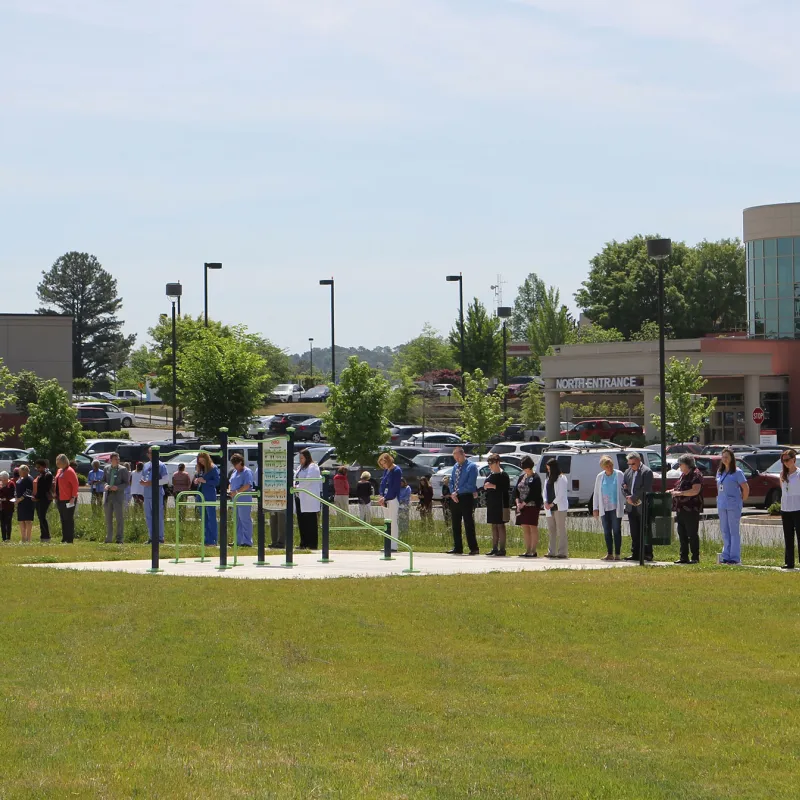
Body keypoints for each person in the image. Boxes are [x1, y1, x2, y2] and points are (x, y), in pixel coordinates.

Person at [716, 447, 749, 565]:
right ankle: (726, 555)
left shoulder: (737, 472)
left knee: (733, 531)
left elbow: (745, 488)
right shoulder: (720, 472)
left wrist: (740, 501)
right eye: (723, 457)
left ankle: (735, 557)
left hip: (733, 505)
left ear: (731, 459)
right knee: (724, 530)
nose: (724, 459)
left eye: (727, 457)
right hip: (722, 504)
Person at [669, 454, 704, 564]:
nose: (679, 466)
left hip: (691, 509)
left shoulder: (696, 475)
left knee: (692, 534)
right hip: (681, 509)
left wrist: (680, 493)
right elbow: (679, 488)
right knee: (682, 533)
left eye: (681, 464)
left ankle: (695, 557)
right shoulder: (683, 475)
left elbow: (695, 490)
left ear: (687, 464)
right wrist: (671, 491)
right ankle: (683, 556)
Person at [592, 455, 626, 561]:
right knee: (607, 531)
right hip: (604, 507)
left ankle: (618, 554)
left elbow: (624, 490)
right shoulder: (600, 477)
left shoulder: (619, 474)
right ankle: (609, 553)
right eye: (607, 466)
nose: (609, 468)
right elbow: (596, 493)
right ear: (603, 467)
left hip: (615, 507)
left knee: (616, 530)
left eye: (610, 465)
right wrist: (595, 508)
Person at [448, 447, 479, 555]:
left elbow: (470, 485)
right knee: (455, 523)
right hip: (455, 498)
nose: (457, 459)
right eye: (455, 458)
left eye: (458, 457)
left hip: (466, 497)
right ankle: (457, 547)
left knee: (468, 522)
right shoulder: (455, 467)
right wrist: (452, 492)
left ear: (463, 454)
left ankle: (473, 548)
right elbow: (451, 481)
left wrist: (458, 491)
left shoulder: (471, 467)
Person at [623, 452, 653, 562]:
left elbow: (646, 488)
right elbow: (624, 486)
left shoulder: (647, 471)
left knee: (644, 530)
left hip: (643, 505)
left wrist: (634, 497)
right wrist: (627, 497)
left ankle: (647, 553)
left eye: (633, 464)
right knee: (634, 531)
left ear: (639, 461)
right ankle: (635, 553)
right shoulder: (627, 472)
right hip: (631, 506)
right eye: (629, 464)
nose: (631, 466)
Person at [513, 455, 543, 557]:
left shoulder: (536, 478)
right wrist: (518, 503)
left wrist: (524, 503)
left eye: (525, 467)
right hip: (522, 507)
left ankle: (533, 550)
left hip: (532, 506)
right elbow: (516, 491)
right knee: (525, 527)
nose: (525, 469)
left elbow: (535, 493)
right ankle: (527, 550)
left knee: (532, 527)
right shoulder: (522, 477)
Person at [141, 447, 169, 544]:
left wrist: (152, 483)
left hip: (157, 494)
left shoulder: (161, 465)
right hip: (147, 494)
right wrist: (143, 482)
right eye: (150, 453)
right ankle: (152, 537)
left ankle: (160, 538)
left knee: (158, 516)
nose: (151, 455)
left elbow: (166, 480)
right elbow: (143, 477)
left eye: (153, 453)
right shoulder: (146, 465)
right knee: (148, 516)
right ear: (148, 454)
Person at [294, 449, 321, 549]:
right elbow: (295, 479)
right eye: (299, 458)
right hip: (299, 497)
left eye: (302, 458)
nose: (300, 460)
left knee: (310, 522)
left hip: (309, 498)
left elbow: (308, 480)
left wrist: (297, 487)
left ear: (307, 457)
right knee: (301, 521)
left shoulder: (313, 466)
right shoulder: (299, 467)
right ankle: (303, 543)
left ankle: (312, 544)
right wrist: (294, 486)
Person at [484, 454, 510, 556]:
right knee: (493, 525)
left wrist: (493, 486)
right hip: (492, 503)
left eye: (492, 463)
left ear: (498, 462)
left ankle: (502, 549)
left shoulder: (504, 475)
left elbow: (505, 488)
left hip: (501, 503)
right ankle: (494, 548)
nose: (490, 466)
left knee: (500, 525)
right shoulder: (490, 475)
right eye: (489, 463)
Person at [779, 449, 800, 570]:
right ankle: (789, 562)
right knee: (788, 536)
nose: (785, 463)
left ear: (793, 459)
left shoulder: (798, 474)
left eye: (787, 460)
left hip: (798, 508)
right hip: (786, 508)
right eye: (783, 461)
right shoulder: (782, 475)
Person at [544, 458, 569, 559]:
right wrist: (545, 501)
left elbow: (561, 494)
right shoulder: (547, 478)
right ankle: (551, 551)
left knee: (561, 529)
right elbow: (544, 491)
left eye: (549, 469)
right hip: (549, 508)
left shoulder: (561, 478)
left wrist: (553, 503)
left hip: (559, 507)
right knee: (551, 529)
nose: (548, 471)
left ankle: (562, 552)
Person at [377, 453, 402, 551]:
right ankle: (387, 544)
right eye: (382, 464)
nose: (383, 466)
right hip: (385, 499)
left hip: (392, 499)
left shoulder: (397, 470)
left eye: (384, 463)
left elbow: (394, 487)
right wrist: (381, 495)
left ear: (388, 461)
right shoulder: (386, 471)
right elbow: (383, 483)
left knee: (393, 522)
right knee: (386, 522)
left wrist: (386, 497)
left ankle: (394, 546)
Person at [102, 453, 129, 544]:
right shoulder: (106, 468)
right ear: (111, 460)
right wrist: (106, 485)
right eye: (115, 459)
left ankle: (119, 539)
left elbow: (126, 483)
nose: (117, 460)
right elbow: (104, 480)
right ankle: (108, 538)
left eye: (118, 459)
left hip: (118, 497)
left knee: (119, 519)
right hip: (108, 496)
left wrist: (117, 487)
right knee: (108, 519)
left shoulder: (123, 469)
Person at [229, 454, 254, 547]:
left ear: (240, 462)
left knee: (245, 519)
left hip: (244, 498)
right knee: (236, 520)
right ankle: (237, 540)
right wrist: (230, 490)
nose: (235, 466)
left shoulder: (247, 472)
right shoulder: (234, 472)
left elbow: (247, 485)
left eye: (236, 464)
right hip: (235, 499)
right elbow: (230, 482)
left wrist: (236, 491)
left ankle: (247, 541)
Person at [195, 452, 220, 546]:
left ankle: (214, 540)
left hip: (209, 495)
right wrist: (197, 480)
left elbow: (217, 481)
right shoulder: (200, 469)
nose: (201, 463)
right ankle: (207, 539)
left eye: (202, 460)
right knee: (204, 518)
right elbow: (198, 478)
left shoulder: (213, 468)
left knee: (211, 517)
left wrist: (205, 481)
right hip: (200, 495)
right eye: (199, 461)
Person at [54, 454, 79, 543]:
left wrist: (73, 496)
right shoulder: (59, 471)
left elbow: (75, 485)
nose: (57, 464)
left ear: (64, 462)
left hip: (69, 499)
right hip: (60, 498)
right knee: (63, 518)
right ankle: (64, 538)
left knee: (68, 518)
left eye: (59, 462)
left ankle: (69, 539)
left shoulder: (70, 471)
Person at [33, 459, 54, 542]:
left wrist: (36, 496)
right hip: (39, 498)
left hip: (44, 499)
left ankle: (46, 536)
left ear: (44, 466)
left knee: (42, 517)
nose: (37, 469)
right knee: (40, 517)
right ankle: (43, 535)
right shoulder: (41, 475)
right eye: (36, 467)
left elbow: (44, 488)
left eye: (39, 467)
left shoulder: (48, 475)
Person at [15, 464, 35, 542]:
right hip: (21, 503)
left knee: (27, 521)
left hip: (27, 502)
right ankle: (23, 538)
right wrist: (16, 497)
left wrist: (20, 499)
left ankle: (29, 539)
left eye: (20, 471)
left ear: (25, 471)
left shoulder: (29, 479)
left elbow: (29, 491)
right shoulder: (21, 478)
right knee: (21, 520)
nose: (19, 473)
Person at [0, 471, 15, 541]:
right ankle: (3, 538)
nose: (1, 480)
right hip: (2, 507)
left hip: (9, 507)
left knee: (8, 522)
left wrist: (2, 499)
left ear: (6, 478)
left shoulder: (11, 484)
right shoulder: (1, 484)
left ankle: (8, 538)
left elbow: (11, 497)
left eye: (2, 479)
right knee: (2, 523)